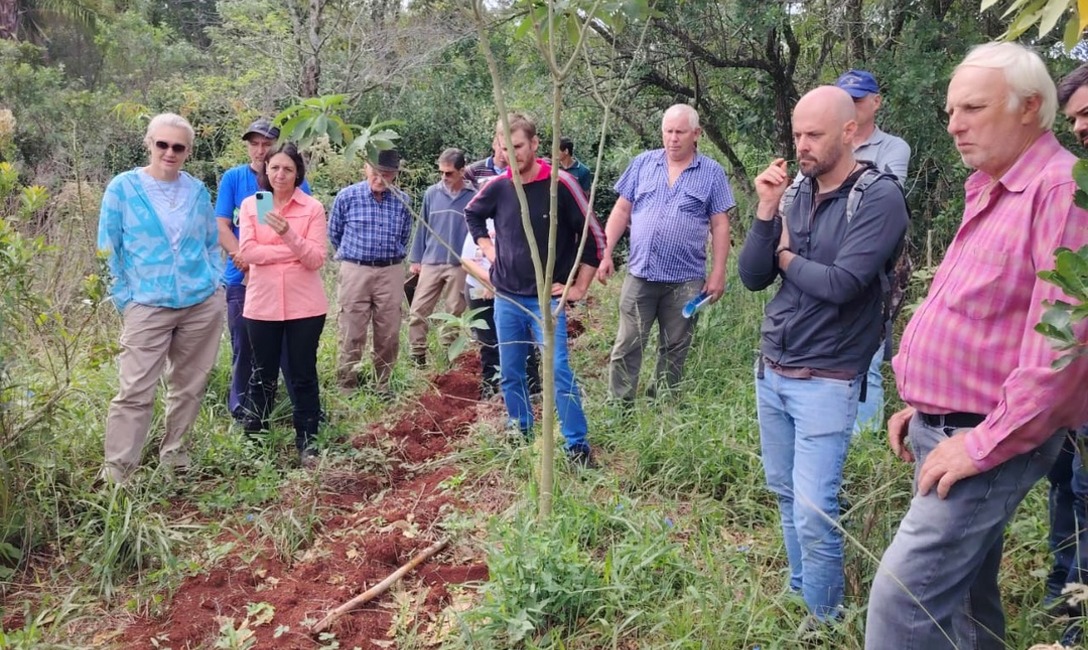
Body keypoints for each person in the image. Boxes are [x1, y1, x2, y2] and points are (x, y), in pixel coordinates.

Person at [866, 42, 1088, 649]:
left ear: (1029, 108)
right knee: (963, 604)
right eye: (950, 110)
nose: (954, 123)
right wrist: (928, 404)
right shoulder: (989, 187)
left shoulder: (1059, 190)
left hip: (987, 438)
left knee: (901, 601)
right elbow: (990, 319)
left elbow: (1063, 347)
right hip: (948, 426)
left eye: (972, 107)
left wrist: (980, 441)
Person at [737, 87, 909, 627]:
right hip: (774, 366)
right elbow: (751, 276)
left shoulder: (878, 197)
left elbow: (841, 284)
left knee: (815, 510)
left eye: (814, 135)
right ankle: (801, 599)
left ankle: (826, 621)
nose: (802, 146)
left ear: (850, 133)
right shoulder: (793, 195)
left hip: (828, 377)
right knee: (787, 497)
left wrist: (785, 253)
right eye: (797, 135)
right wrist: (766, 209)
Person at [464, 113, 605, 467]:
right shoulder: (499, 186)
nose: (513, 154)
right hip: (507, 296)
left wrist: (579, 287)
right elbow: (472, 214)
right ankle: (520, 429)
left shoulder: (561, 185)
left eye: (520, 146)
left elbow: (595, 235)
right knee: (511, 370)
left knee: (557, 369)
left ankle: (577, 446)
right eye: (504, 146)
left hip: (547, 300)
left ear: (536, 144)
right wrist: (491, 252)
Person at [96, 113, 225, 483]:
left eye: (178, 147)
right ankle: (119, 472)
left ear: (188, 151)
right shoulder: (123, 188)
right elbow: (108, 248)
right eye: (162, 144)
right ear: (149, 144)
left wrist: (215, 283)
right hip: (147, 304)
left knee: (189, 385)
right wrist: (125, 298)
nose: (170, 152)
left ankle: (174, 457)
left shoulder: (197, 190)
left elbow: (209, 242)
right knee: (134, 390)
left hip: (199, 303)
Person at [598, 104, 735, 403]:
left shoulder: (711, 173)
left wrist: (718, 271)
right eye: (668, 131)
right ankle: (619, 405)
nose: (673, 138)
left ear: (696, 134)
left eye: (680, 132)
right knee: (628, 342)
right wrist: (605, 251)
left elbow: (720, 224)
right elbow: (622, 210)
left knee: (675, 345)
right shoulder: (643, 164)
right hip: (641, 274)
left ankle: (663, 403)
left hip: (686, 280)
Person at [215, 118, 312, 422]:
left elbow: (303, 238)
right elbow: (222, 225)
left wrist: (258, 257)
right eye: (254, 144)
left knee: (288, 351)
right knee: (244, 348)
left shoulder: (294, 181)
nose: (260, 150)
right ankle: (243, 413)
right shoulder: (233, 178)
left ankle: (300, 412)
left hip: (285, 282)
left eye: (266, 144)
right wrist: (240, 256)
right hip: (239, 278)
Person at [833, 69, 912, 435]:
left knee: (869, 352)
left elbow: (882, 197)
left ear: (875, 102)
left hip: (876, 265)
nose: (851, 107)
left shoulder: (892, 148)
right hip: (829, 261)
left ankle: (862, 444)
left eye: (858, 100)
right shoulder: (826, 142)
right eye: (844, 100)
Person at [237, 143, 327, 466]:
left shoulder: (312, 208)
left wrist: (288, 234)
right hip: (263, 304)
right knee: (263, 374)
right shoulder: (253, 206)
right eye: (274, 168)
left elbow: (316, 258)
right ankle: (255, 443)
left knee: (303, 375)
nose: (280, 174)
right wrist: (292, 254)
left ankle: (308, 442)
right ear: (265, 171)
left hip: (306, 307)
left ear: (298, 173)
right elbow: (248, 252)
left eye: (288, 169)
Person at [328, 149, 412, 396]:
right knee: (351, 328)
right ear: (365, 169)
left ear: (395, 175)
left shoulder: (403, 200)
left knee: (389, 330)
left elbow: (405, 236)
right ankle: (347, 384)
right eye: (375, 172)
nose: (380, 178)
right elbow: (335, 233)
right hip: (355, 269)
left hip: (390, 270)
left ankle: (383, 384)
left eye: (386, 174)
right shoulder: (347, 197)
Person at [407, 148, 474, 366]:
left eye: (449, 173)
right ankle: (417, 356)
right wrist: (416, 259)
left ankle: (448, 358)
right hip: (431, 261)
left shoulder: (473, 196)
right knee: (418, 310)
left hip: (458, 264)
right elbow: (422, 226)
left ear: (462, 171)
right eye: (441, 172)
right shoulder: (431, 194)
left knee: (454, 312)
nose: (444, 177)